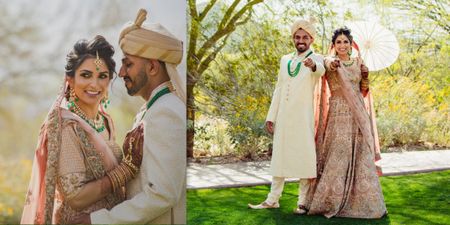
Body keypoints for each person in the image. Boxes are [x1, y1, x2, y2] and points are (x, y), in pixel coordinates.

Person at [72, 9, 186, 224]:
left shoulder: (166, 112)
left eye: (129, 64)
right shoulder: (150, 109)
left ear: (152, 66)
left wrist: (97, 221)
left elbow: (162, 194)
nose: (122, 72)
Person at [21, 35, 144, 224]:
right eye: (86, 75)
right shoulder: (66, 126)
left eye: (102, 76)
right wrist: (126, 170)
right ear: (70, 80)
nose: (94, 84)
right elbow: (76, 197)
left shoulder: (105, 121)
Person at [304, 27, 387, 218]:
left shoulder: (359, 62)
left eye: (345, 42)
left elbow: (363, 91)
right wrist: (330, 63)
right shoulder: (330, 61)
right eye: (338, 42)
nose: (342, 45)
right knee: (338, 154)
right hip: (338, 114)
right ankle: (330, 200)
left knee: (360, 155)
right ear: (334, 45)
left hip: (358, 115)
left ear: (351, 45)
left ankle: (364, 203)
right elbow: (323, 65)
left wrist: (365, 77)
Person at [248, 18, 325, 214]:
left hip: (303, 117)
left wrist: (312, 66)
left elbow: (321, 70)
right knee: (279, 157)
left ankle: (303, 202)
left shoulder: (316, 59)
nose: (301, 40)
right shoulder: (285, 59)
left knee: (304, 156)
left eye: (305, 37)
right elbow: (279, 88)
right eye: (297, 37)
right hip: (283, 116)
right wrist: (271, 116)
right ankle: (272, 199)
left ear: (311, 39)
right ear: (293, 39)